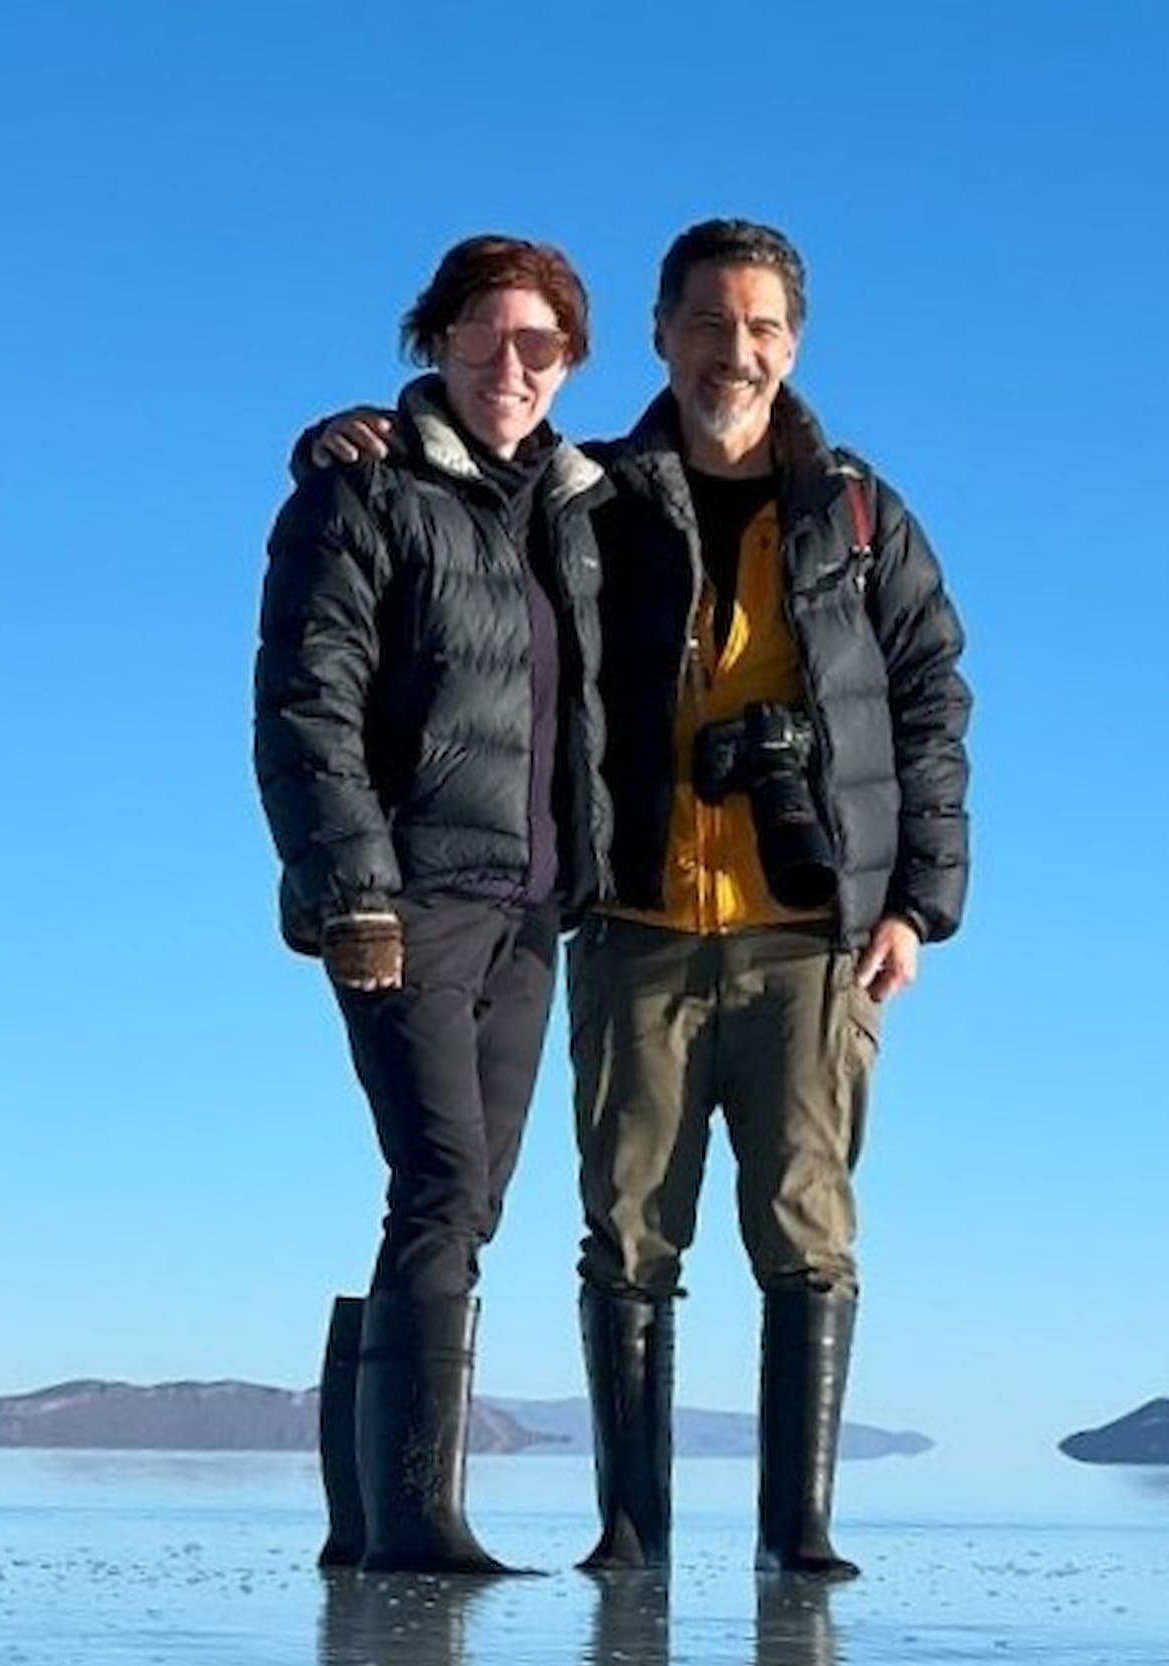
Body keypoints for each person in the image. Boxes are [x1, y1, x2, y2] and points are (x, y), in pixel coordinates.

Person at [310, 217, 971, 1582]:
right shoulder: (593, 494)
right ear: (663, 336)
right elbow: (463, 508)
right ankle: (631, 1535)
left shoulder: (857, 514)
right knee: (625, 1231)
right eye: (712, 322)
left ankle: (799, 1535)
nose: (739, 350)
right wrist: (349, 437)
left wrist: (919, 901)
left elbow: (930, 704)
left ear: (795, 345)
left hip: (813, 932)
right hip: (634, 920)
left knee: (805, 1226)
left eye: (765, 327)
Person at [253, 236, 613, 1573]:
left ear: (570, 362)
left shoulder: (577, 512)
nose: (510, 365)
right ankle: (415, 1520)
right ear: (436, 341)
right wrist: (353, 892)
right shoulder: (362, 495)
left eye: (539, 344)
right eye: (482, 335)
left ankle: (367, 1526)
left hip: (530, 910)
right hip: (405, 900)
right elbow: (307, 705)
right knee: (443, 1181)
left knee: (462, 1199)